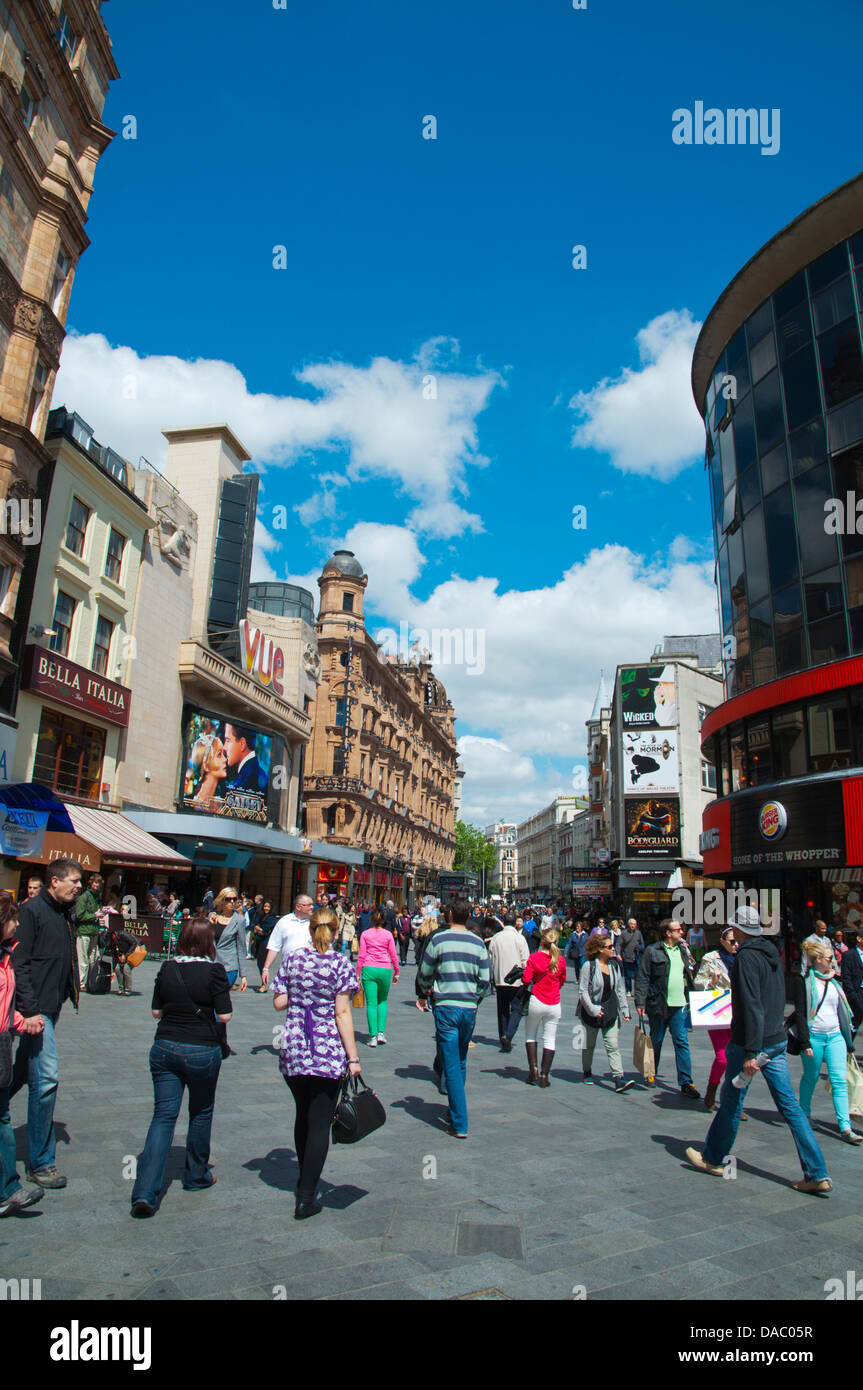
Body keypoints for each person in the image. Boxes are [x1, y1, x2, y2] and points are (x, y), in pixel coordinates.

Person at [686, 905, 832, 1195]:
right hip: (775, 1040)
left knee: (731, 1100)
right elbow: (775, 999)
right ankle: (817, 1173)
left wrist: (751, 1051)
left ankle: (714, 1158)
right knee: (790, 1108)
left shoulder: (746, 958)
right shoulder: (771, 953)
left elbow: (751, 1005)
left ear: (738, 929)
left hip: (751, 1043)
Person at [130, 917, 232, 1217]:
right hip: (202, 1049)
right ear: (207, 942)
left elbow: (155, 1011)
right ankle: (195, 1175)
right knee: (200, 1113)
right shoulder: (214, 971)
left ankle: (145, 1192)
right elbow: (224, 1015)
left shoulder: (167, 967)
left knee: (163, 1116)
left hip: (164, 1047)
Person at [272, 906, 361, 1219]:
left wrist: (299, 993)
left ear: (310, 930)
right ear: (335, 932)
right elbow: (342, 1013)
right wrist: (353, 1058)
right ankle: (306, 1196)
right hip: (325, 1051)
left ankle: (303, 1178)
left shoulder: (293, 959)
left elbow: (278, 1001)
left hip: (294, 1046)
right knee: (320, 1122)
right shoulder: (340, 963)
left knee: (303, 1114)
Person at [8, 858, 82, 1189]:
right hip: (36, 1009)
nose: (79, 886)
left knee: (23, 1071)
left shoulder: (65, 910)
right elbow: (19, 964)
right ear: (55, 881)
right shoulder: (32, 911)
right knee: (46, 1079)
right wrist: (31, 1009)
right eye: (74, 881)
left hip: (51, 1005)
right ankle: (41, 1161)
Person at [416, 899, 491, 1137]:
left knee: (451, 1063)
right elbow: (485, 980)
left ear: (449, 915)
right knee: (459, 1061)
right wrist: (473, 997)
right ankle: (452, 1109)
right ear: (469, 915)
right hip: (468, 1008)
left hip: (446, 1006)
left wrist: (424, 992)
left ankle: (459, 1122)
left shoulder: (439, 939)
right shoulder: (478, 942)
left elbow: (425, 971)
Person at [789, 939, 862, 1144]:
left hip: (835, 1036)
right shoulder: (804, 982)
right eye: (830, 958)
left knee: (839, 1080)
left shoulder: (834, 982)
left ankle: (845, 1127)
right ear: (818, 959)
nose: (833, 962)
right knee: (810, 1077)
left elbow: (842, 1013)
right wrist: (805, 1043)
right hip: (814, 1037)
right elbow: (801, 1014)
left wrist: (848, 1042)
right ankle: (804, 1114)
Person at [0, 893, 45, 1217]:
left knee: (2, 1116)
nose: (17, 924)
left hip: (3, 1042)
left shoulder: (7, 955)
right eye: (12, 919)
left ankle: (8, 1189)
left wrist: (21, 1021)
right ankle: (9, 1189)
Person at [634, 917, 700, 1099]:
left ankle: (686, 1082)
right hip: (658, 1004)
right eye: (678, 930)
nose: (682, 932)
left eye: (682, 929)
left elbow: (690, 973)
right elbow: (643, 977)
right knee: (656, 1040)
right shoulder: (652, 951)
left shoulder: (683, 950)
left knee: (682, 1042)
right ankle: (650, 1071)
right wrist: (640, 1002)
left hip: (680, 1005)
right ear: (668, 933)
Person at [577, 931, 634, 1092]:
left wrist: (624, 1009)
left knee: (613, 1045)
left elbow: (620, 989)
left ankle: (618, 1078)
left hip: (609, 1010)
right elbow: (583, 992)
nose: (613, 949)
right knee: (589, 1045)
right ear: (600, 949)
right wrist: (593, 1009)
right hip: (591, 1010)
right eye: (610, 947)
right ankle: (587, 1071)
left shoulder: (614, 966)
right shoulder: (589, 966)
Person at [694, 927, 738, 1111]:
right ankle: (712, 1088)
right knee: (723, 1058)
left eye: (737, 941)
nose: (736, 945)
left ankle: (734, 1103)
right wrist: (712, 981)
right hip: (719, 1012)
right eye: (732, 941)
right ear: (722, 941)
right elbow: (697, 982)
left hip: (739, 1012)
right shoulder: (711, 959)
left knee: (737, 1059)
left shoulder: (744, 957)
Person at [523, 927, 566, 1087]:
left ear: (543, 941)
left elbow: (526, 979)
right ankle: (544, 1075)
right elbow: (562, 980)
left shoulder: (534, 958)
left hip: (536, 1000)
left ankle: (533, 1069)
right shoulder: (560, 961)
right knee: (550, 1039)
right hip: (554, 1003)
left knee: (530, 1035)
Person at [356, 907, 399, 1046]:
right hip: (385, 969)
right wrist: (396, 971)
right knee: (382, 1001)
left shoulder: (365, 934)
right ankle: (381, 1033)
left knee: (371, 1003)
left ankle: (372, 1036)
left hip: (368, 968)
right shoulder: (388, 934)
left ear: (371, 919)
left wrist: (357, 973)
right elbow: (393, 954)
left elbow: (361, 954)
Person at [488, 910, 529, 1051]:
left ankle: (503, 1035)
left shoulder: (496, 938)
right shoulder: (520, 938)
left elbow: (491, 957)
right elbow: (526, 961)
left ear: (504, 922)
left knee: (502, 1009)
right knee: (517, 1009)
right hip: (517, 980)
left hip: (500, 979)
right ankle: (509, 1035)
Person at [261, 894, 315, 987]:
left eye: (312, 904)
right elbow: (274, 946)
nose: (312, 907)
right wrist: (266, 968)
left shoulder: (315, 922)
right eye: (309, 905)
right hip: (288, 970)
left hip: (310, 971)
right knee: (281, 1000)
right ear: (298, 907)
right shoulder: (284, 921)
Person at [210, 888, 248, 993]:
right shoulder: (212, 917)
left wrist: (243, 975)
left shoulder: (239, 920)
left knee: (219, 996)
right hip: (211, 964)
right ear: (222, 900)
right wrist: (209, 925)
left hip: (229, 967)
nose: (232, 902)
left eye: (234, 899)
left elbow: (241, 948)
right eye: (228, 899)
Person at [73, 873, 103, 986]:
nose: (97, 885)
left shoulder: (97, 897)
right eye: (95, 882)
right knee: (83, 960)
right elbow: (79, 915)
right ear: (91, 883)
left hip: (94, 932)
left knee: (93, 959)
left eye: (99, 883)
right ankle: (80, 983)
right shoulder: (84, 897)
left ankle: (92, 982)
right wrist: (94, 915)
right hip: (84, 931)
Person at [104, 910, 139, 996]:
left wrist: (125, 956)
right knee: (117, 969)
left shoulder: (122, 934)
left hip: (135, 950)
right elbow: (114, 957)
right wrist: (113, 971)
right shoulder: (112, 944)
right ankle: (121, 988)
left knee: (126, 969)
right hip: (125, 952)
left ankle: (128, 989)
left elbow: (134, 943)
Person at [840, 931, 863, 1032]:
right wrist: (852, 995)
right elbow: (846, 977)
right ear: (859, 939)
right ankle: (848, 1044)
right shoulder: (849, 955)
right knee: (855, 1021)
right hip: (857, 993)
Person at [254, 901, 278, 990]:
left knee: (263, 964)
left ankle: (264, 985)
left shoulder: (272, 918)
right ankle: (263, 983)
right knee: (260, 963)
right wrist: (258, 928)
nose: (266, 908)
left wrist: (258, 928)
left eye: (268, 907)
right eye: (265, 906)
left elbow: (263, 931)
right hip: (260, 941)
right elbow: (255, 924)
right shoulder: (261, 915)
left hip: (266, 943)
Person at [620, 918, 644, 994]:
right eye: (631, 924)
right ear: (628, 924)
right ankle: (628, 990)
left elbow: (642, 945)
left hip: (636, 958)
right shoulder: (624, 933)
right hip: (626, 957)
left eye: (634, 924)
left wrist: (639, 948)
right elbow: (619, 944)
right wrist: (618, 954)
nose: (633, 926)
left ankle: (637, 991)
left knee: (637, 975)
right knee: (628, 976)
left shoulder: (638, 933)